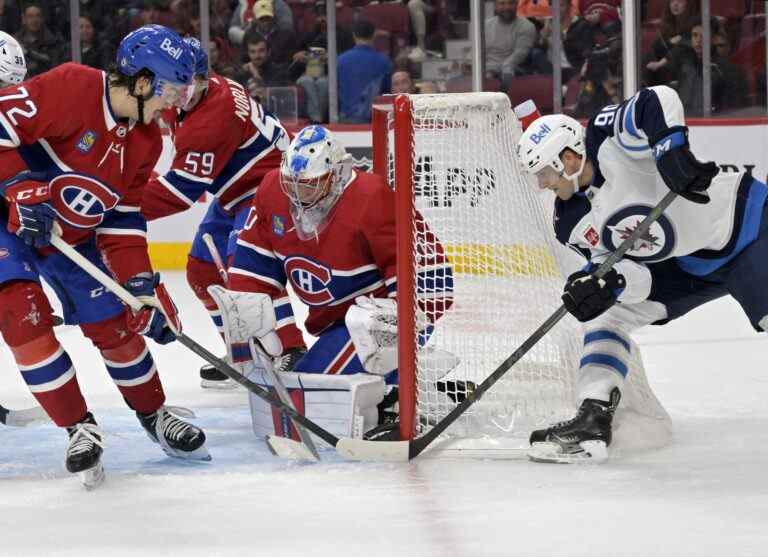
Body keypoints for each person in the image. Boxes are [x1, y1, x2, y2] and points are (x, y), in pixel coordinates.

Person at [0, 25, 209, 488]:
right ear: (140, 82)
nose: (173, 103)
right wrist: (18, 188)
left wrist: (140, 284)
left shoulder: (147, 140)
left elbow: (122, 221)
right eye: (169, 89)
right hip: (10, 225)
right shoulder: (71, 86)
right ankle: (79, 427)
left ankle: (154, 414)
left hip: (71, 237)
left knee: (116, 323)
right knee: (21, 315)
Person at [515, 84, 768, 463]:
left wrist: (671, 152)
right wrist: (607, 282)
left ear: (568, 159)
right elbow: (634, 275)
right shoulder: (569, 220)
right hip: (684, 265)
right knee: (608, 313)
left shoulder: (608, 141)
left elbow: (658, 98)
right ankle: (593, 415)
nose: (542, 184)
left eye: (544, 173)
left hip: (744, 227)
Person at [226, 125, 453, 435]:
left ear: (335, 176)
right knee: (305, 390)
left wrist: (391, 324)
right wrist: (253, 325)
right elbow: (254, 269)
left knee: (317, 399)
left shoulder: (371, 198)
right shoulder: (272, 191)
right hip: (333, 323)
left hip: (380, 320)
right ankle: (406, 385)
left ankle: (403, 396)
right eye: (291, 184)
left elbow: (433, 280)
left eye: (308, 186)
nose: (296, 196)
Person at [141, 37, 304, 389]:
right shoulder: (192, 92)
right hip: (234, 193)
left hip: (267, 189)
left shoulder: (212, 116)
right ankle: (242, 357)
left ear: (204, 77)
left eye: (187, 88)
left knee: (248, 268)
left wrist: (120, 203)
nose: (178, 97)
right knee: (200, 271)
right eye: (175, 87)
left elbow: (179, 193)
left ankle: (292, 349)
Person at [337, 20, 393, 123]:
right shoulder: (384, 61)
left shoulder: (340, 60)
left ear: (354, 35)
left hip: (347, 119)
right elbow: (388, 91)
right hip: (375, 119)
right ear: (374, 35)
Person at [484, 0, 536, 83]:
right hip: (485, 70)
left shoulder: (527, 26)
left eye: (510, 3)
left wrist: (490, 71)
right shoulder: (486, 25)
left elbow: (519, 55)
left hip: (512, 70)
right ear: (496, 6)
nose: (507, 7)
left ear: (516, 4)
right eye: (502, 3)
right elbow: (476, 51)